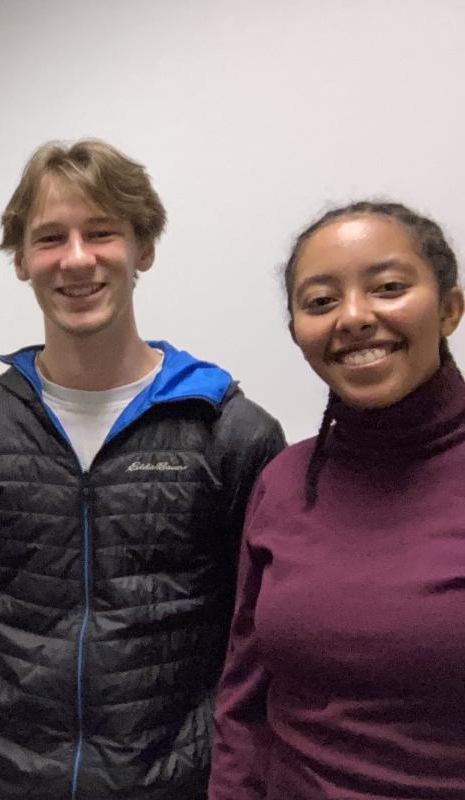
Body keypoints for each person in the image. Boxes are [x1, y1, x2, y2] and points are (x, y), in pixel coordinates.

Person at [0, 139, 286, 799]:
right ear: (21, 261)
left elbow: (249, 638)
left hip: (172, 782)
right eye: (49, 238)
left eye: (101, 233)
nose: (77, 259)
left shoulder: (232, 435)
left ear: (143, 248)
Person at [210, 201, 465, 798]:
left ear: (450, 307)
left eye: (388, 287)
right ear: (298, 332)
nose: (353, 317)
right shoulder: (284, 480)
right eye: (322, 301)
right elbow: (242, 707)